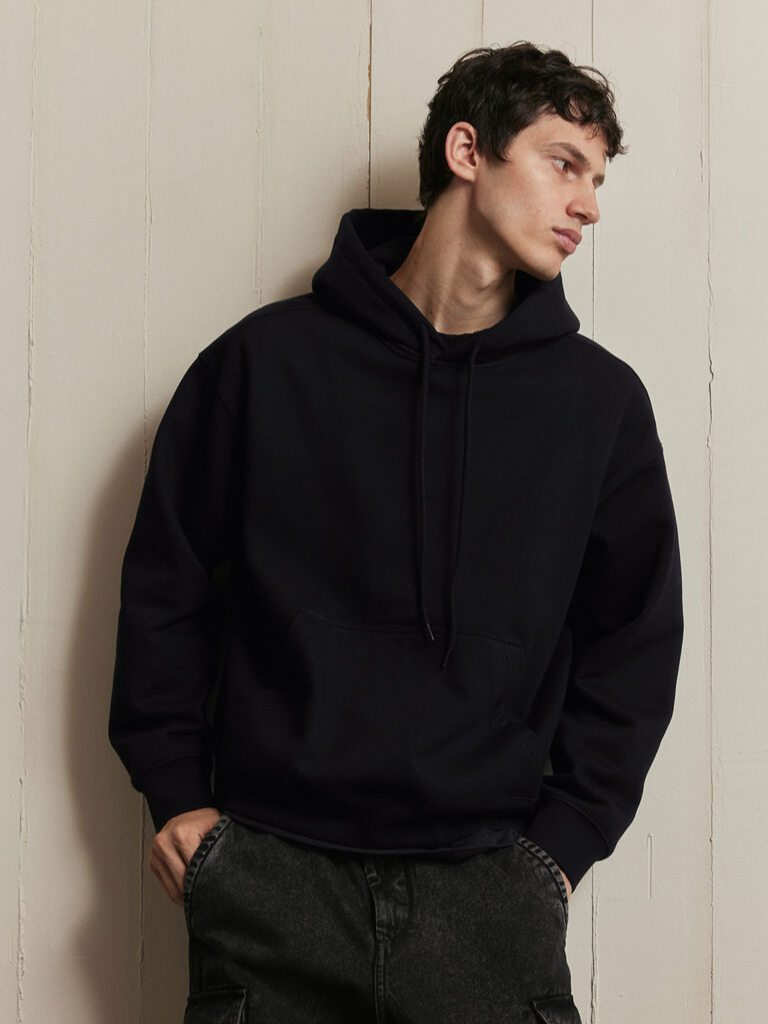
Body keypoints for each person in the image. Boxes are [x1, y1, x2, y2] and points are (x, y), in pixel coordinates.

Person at [109, 40, 684, 1024]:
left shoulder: (599, 406)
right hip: (271, 881)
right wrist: (177, 796)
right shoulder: (263, 367)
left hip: (491, 891)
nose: (588, 204)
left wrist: (563, 847)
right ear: (468, 151)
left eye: (597, 179)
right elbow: (168, 588)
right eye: (564, 163)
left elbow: (635, 641)